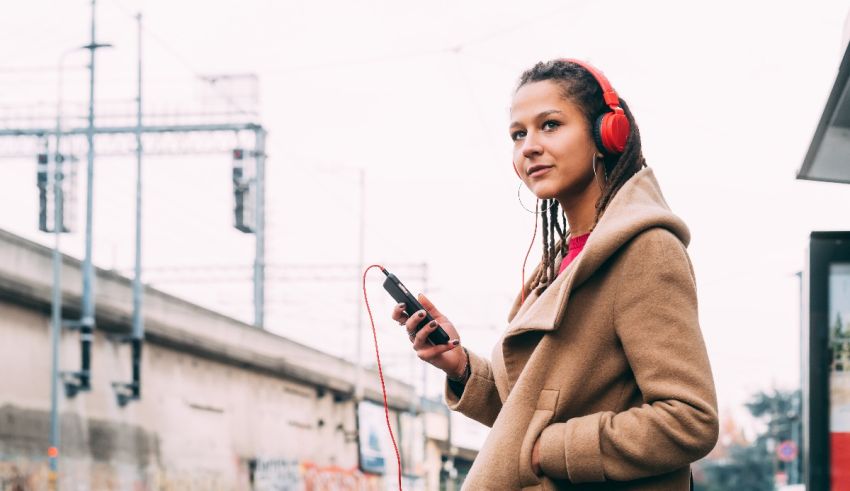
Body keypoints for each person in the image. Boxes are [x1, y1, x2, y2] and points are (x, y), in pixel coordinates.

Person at [391, 58, 718, 489]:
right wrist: (461, 368)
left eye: (550, 125)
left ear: (607, 135)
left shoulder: (644, 249)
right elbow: (530, 415)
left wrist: (553, 450)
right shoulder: (560, 263)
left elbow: (690, 419)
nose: (529, 146)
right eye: (517, 134)